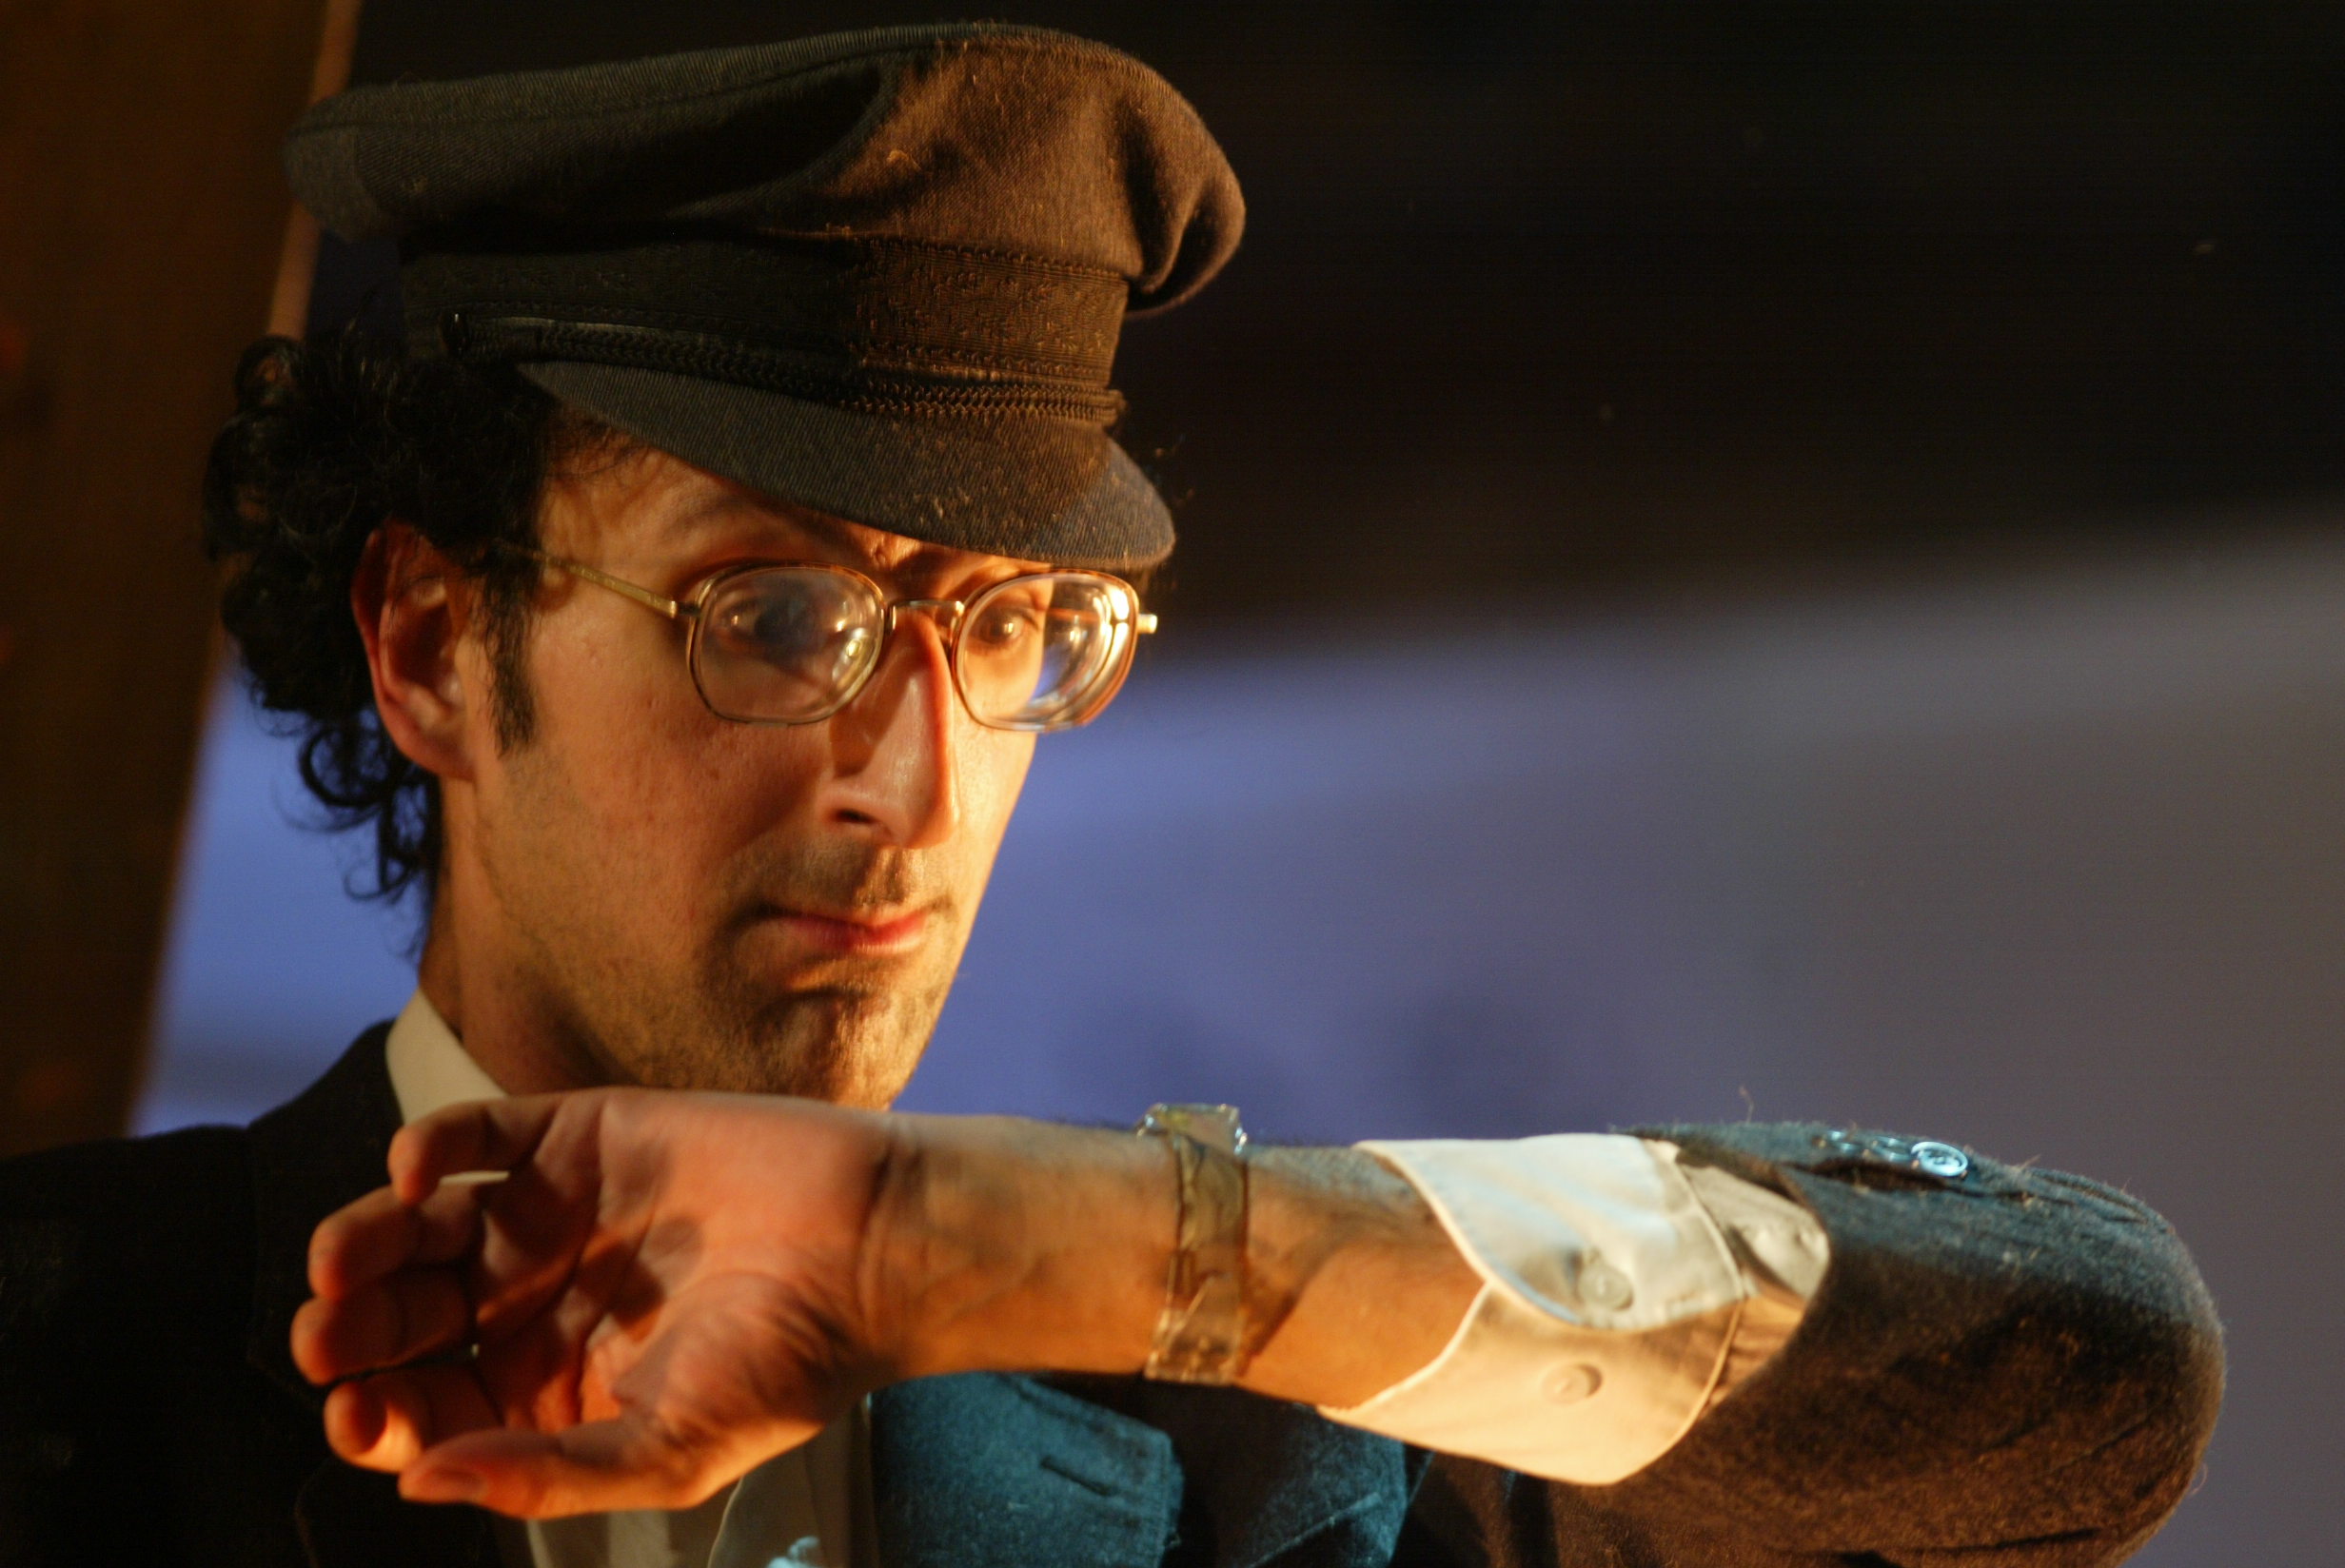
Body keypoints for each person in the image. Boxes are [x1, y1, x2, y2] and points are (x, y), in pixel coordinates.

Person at [0, 23, 2219, 1568]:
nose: (914, 782)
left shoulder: (1240, 1470)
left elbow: (2087, 1378)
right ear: (426, 642)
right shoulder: (67, 1354)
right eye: (774, 614)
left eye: (1009, 627)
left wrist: (970, 1246)